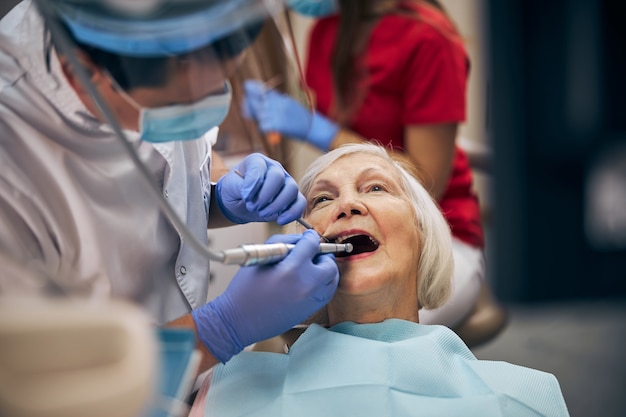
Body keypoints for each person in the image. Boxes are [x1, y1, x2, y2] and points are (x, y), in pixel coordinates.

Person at [0, 0, 340, 373]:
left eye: (218, 87)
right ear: (83, 71)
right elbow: (52, 381)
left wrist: (220, 201)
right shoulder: (13, 169)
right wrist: (219, 329)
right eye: (181, 106)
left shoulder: (164, 50)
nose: (202, 120)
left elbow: (157, 195)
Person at [189, 143, 569, 417]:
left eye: (376, 187)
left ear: (423, 234)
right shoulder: (227, 387)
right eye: (322, 199)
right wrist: (222, 327)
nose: (347, 205)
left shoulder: (523, 397)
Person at [242, 0, 505, 344]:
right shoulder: (327, 31)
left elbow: (425, 185)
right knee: (301, 331)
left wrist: (314, 128)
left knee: (365, 331)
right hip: (371, 219)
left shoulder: (430, 41)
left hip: (440, 223)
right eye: (320, 198)